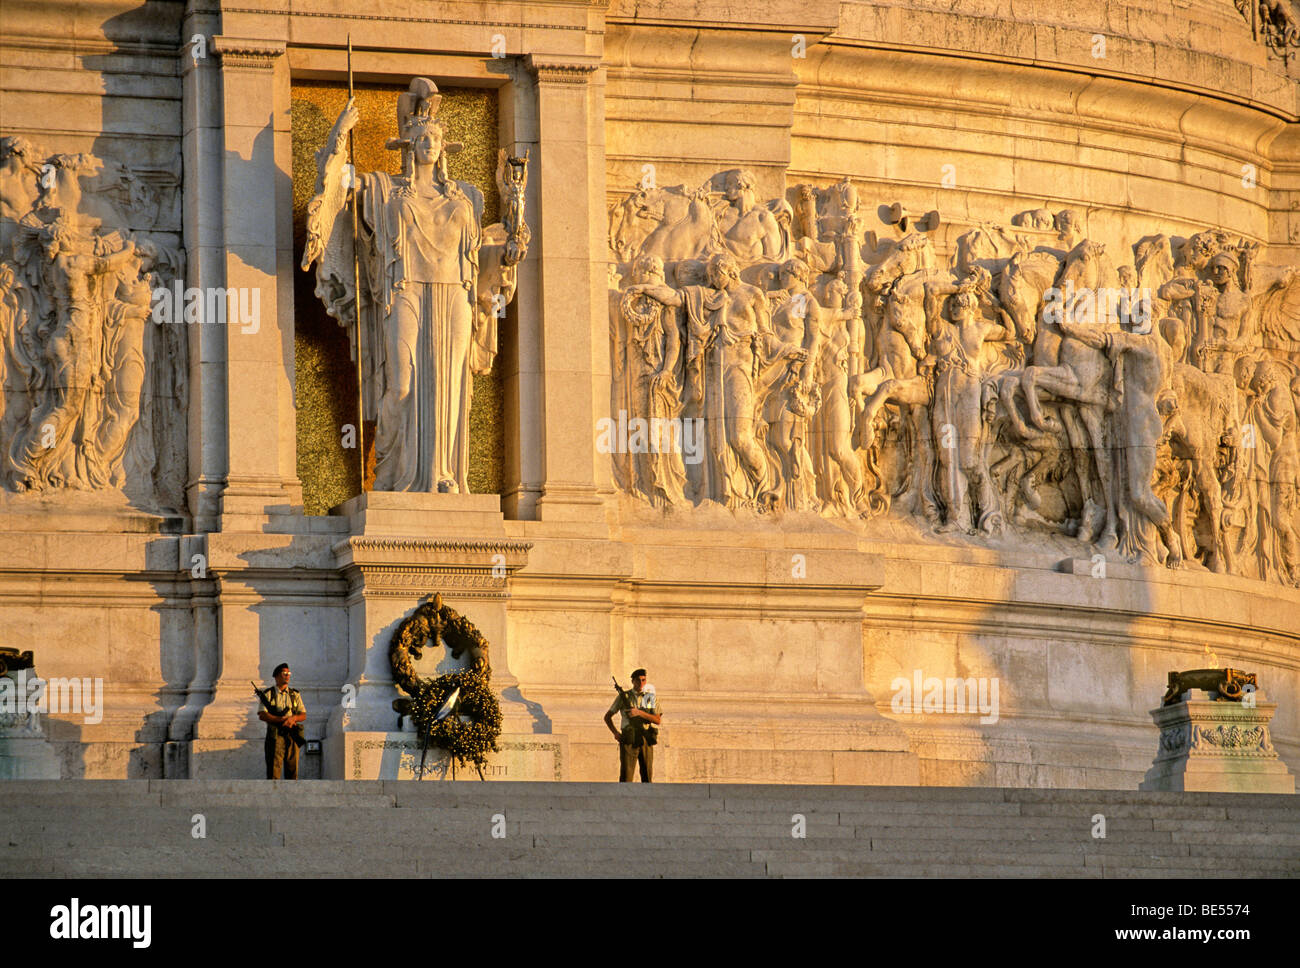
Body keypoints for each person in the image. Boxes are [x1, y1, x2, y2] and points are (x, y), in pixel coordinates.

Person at [603, 668, 662, 782]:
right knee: (626, 776)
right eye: (638, 680)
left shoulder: (648, 698)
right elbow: (607, 717)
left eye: (644, 680)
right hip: (629, 738)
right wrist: (615, 733)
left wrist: (639, 713)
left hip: (645, 737)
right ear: (633, 681)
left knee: (647, 776)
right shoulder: (625, 697)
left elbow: (657, 720)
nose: (641, 683)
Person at [258, 663, 306, 780]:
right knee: (274, 767)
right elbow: (262, 714)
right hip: (276, 734)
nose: (287, 676)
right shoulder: (268, 694)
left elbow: (303, 714)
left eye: (289, 674)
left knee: (292, 767)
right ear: (277, 676)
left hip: (291, 733)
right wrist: (281, 720)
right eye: (284, 674)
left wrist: (292, 719)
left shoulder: (294, 694)